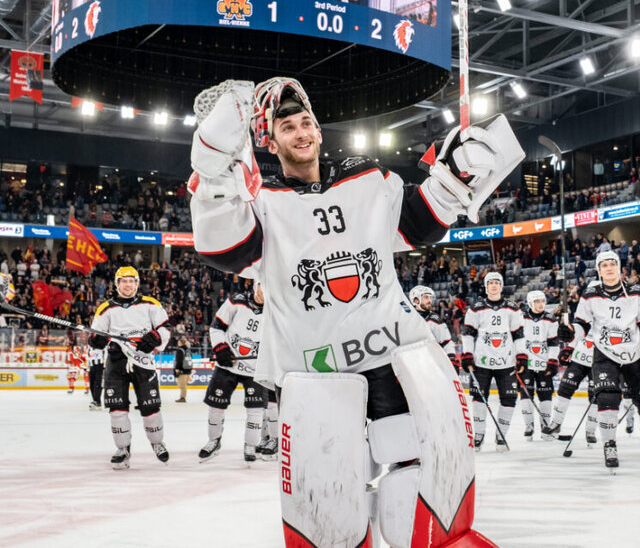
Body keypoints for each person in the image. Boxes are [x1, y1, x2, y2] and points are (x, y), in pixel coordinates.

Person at [188, 77, 515, 546]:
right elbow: (223, 249)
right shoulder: (261, 202)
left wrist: (457, 175)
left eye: (306, 123)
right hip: (314, 377)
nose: (301, 133)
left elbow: (419, 224)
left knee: (419, 480)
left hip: (389, 358)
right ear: (270, 140)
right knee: (332, 502)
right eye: (287, 126)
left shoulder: (367, 178)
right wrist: (215, 173)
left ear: (319, 131)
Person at [571, 250, 640, 470]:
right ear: (599, 270)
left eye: (612, 264)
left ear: (619, 267)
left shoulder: (638, 292)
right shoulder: (590, 294)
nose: (608, 268)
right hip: (605, 354)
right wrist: (569, 336)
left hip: (635, 353)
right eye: (604, 265)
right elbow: (581, 326)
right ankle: (610, 444)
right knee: (607, 398)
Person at [88, 266, 172, 469]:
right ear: (117, 284)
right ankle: (123, 448)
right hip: (116, 362)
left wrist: (155, 337)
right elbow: (96, 336)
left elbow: (165, 328)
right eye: (123, 281)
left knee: (151, 407)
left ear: (137, 284)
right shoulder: (106, 308)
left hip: (143, 362)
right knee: (117, 408)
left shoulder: (150, 304)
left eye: (132, 281)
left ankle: (157, 442)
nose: (128, 285)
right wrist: (97, 340)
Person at [199, 284, 267, 463]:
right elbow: (216, 327)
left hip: (255, 369)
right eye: (262, 287)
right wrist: (220, 348)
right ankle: (213, 441)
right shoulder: (237, 301)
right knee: (215, 407)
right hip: (228, 364)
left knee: (256, 410)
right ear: (255, 286)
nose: (264, 293)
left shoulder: (276, 309)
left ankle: (251, 445)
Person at [461, 272, 524, 451]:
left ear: (501, 286)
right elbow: (468, 334)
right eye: (491, 283)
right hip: (482, 362)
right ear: (486, 286)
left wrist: (522, 356)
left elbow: (518, 334)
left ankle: (501, 434)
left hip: (507, 362)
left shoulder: (512, 308)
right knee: (479, 399)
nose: (494, 285)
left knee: (509, 399)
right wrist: (467, 354)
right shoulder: (476, 308)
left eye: (497, 282)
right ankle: (479, 435)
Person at [542, 281, 594, 444]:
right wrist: (568, 348)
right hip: (580, 357)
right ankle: (556, 422)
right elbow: (577, 329)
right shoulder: (584, 307)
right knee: (565, 388)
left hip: (600, 361)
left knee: (596, 396)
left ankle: (591, 430)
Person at [518, 290, 560, 440]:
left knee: (546, 395)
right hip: (526, 364)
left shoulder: (551, 319)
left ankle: (545, 426)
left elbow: (553, 342)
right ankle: (528, 426)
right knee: (525, 396)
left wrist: (552, 361)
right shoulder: (521, 318)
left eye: (542, 301)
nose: (541, 304)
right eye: (537, 302)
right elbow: (517, 339)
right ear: (530, 303)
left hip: (544, 364)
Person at [409, 285, 457, 367]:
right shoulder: (407, 319)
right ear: (416, 300)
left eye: (430, 298)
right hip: (413, 365)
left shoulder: (435, 319)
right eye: (426, 297)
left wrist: (452, 360)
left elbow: (446, 342)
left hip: (431, 366)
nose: (430, 300)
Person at [173, 337, 193, 402]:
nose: (177, 343)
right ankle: (182, 397)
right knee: (184, 384)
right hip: (188, 369)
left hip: (182, 370)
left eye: (178, 342)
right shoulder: (188, 350)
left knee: (182, 385)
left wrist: (177, 368)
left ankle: (183, 398)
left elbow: (179, 360)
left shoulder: (180, 350)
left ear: (181, 343)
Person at [87, 342, 105, 410]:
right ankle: (96, 400)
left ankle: (96, 400)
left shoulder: (102, 346)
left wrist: (104, 366)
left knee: (98, 383)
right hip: (91, 366)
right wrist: (87, 365)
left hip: (99, 366)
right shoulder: (89, 347)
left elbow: (105, 355)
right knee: (92, 384)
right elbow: (88, 356)